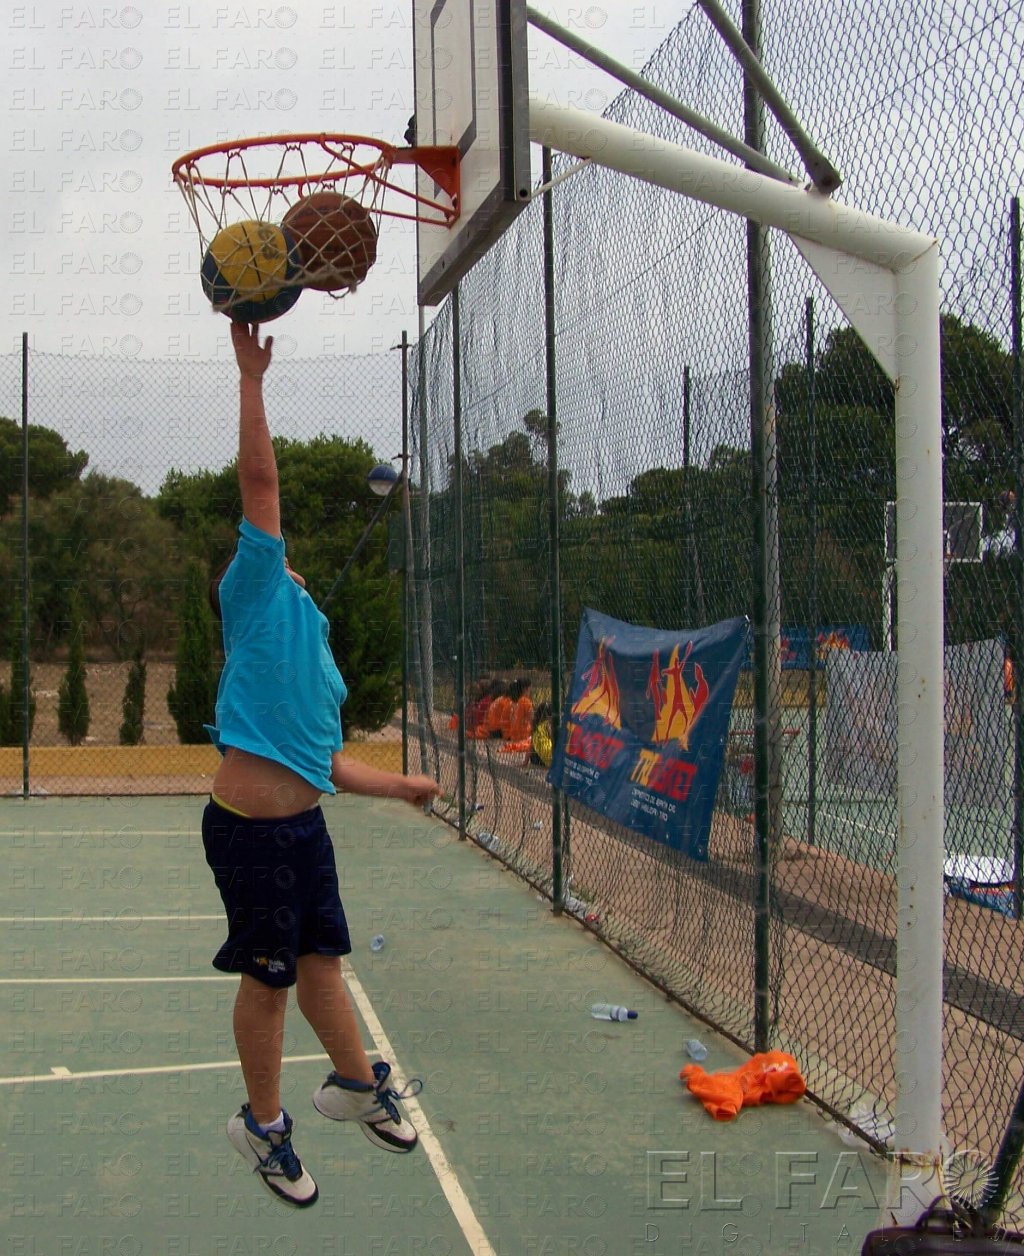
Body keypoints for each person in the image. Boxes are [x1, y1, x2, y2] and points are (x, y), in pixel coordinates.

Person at [202, 322, 440, 1209]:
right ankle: (261, 1127)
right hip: (249, 834)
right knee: (269, 982)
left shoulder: (322, 651)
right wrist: (250, 376)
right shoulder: (255, 588)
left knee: (323, 966)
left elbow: (329, 765)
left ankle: (350, 1084)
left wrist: (405, 784)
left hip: (301, 826)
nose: (276, 540)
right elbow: (259, 480)